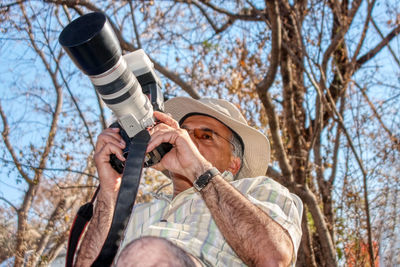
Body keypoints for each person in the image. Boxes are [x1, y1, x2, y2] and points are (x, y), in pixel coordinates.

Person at [75, 97, 303, 267]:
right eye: (183, 132)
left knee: (147, 253)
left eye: (205, 136)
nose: (188, 141)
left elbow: (274, 258)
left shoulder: (257, 191)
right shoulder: (133, 212)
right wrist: (109, 190)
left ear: (234, 164)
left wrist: (198, 169)